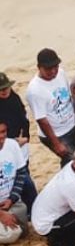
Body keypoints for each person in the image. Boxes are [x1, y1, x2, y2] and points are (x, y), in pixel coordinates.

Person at [29, 48, 75, 166]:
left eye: (55, 67)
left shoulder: (61, 73)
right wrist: (56, 143)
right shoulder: (35, 90)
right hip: (57, 134)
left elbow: (69, 96)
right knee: (73, 163)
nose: (53, 71)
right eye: (48, 69)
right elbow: (41, 120)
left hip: (71, 126)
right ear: (39, 67)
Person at [0, 73, 37, 208]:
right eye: (1, 89)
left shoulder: (14, 98)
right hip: (5, 144)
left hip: (18, 142)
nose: (4, 91)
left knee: (24, 176)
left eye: (6, 88)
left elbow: (24, 119)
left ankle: (31, 207)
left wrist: (26, 137)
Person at [0, 120, 29, 244]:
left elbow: (21, 173)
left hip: (10, 202)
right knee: (12, 234)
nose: (1, 136)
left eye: (3, 131)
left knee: (23, 230)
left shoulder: (12, 145)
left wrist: (12, 198)